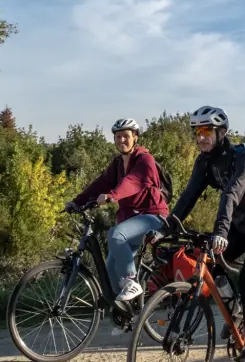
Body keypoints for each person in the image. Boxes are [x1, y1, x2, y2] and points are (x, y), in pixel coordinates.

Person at [166, 105, 245, 362]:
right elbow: (188, 197)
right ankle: (237, 309)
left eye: (207, 131)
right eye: (196, 132)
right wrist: (168, 227)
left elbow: (231, 193)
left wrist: (220, 231)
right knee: (213, 265)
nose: (200, 138)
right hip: (241, 225)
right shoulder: (205, 163)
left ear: (222, 132)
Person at [66, 118, 169, 316]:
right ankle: (127, 315)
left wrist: (113, 196)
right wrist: (77, 202)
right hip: (131, 221)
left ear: (135, 138)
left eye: (126, 136)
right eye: (118, 136)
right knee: (111, 270)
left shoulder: (144, 160)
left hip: (153, 217)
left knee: (115, 235)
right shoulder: (118, 164)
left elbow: (133, 182)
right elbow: (100, 184)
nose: (122, 140)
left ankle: (131, 281)